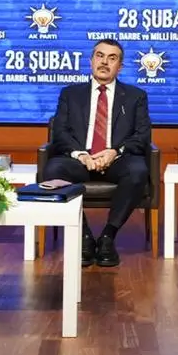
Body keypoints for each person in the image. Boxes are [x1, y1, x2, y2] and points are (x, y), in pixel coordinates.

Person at [43, 39, 152, 268]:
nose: (104, 62)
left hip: (116, 161)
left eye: (112, 58)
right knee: (53, 168)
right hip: (80, 161)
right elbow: (60, 132)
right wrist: (81, 155)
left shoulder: (136, 96)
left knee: (138, 170)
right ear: (91, 61)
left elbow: (142, 135)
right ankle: (84, 237)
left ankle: (108, 237)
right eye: (100, 56)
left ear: (120, 67)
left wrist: (114, 152)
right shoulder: (70, 94)